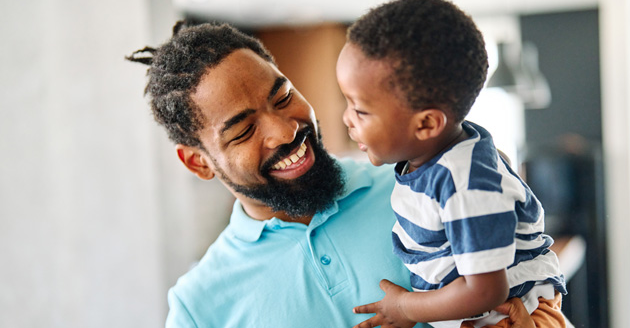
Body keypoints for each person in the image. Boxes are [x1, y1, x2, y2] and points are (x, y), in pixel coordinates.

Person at [127, 21, 432, 328]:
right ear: (198, 163)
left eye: (283, 98)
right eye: (244, 131)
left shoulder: (418, 183)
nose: (286, 132)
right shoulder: (199, 308)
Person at [335, 0, 568, 328]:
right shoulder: (438, 157)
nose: (346, 119)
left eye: (359, 109)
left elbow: (485, 290)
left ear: (427, 124)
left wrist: (405, 307)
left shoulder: (464, 183)